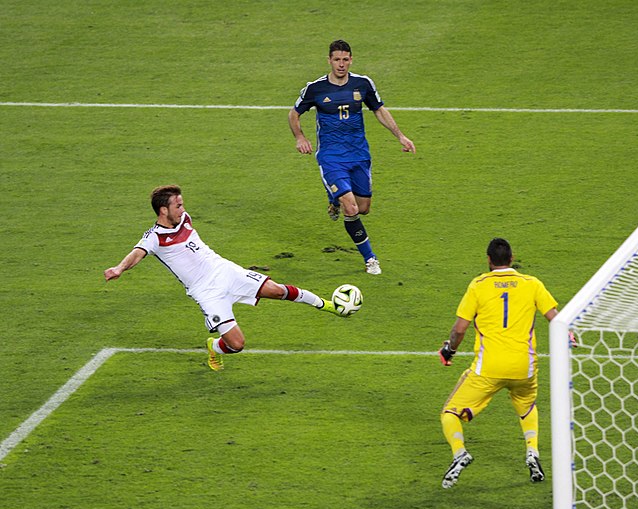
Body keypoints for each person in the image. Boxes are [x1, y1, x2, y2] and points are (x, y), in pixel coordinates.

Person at [104, 185, 345, 371]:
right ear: (163, 210)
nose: (182, 208)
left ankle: (329, 305)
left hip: (224, 270)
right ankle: (213, 346)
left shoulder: (184, 219)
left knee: (277, 290)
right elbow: (137, 254)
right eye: (177, 205)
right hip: (206, 291)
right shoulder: (155, 237)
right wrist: (119, 268)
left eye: (182, 204)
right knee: (236, 344)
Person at [437, 238, 569, 489]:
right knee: (527, 406)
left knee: (450, 412)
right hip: (524, 368)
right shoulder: (532, 284)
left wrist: (449, 350)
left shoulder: (478, 285)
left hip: (489, 368)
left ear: (488, 260)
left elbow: (459, 329)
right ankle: (532, 452)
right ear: (512, 258)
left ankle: (459, 453)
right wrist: (568, 335)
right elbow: (556, 318)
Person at [288, 39, 416, 275]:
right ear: (329, 60)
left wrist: (400, 136)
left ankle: (333, 196)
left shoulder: (363, 84)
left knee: (364, 208)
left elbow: (379, 110)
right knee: (351, 207)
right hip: (331, 157)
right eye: (336, 59)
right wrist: (300, 137)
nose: (341, 64)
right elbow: (294, 114)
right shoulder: (315, 88)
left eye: (345, 59)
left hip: (359, 155)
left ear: (351, 60)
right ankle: (370, 259)